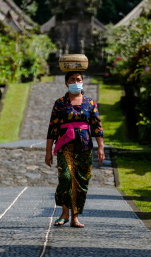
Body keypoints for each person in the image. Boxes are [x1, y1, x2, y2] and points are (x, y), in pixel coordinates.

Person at [45, 71, 105, 228]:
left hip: (84, 147)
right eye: (72, 79)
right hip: (65, 146)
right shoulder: (60, 103)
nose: (75, 82)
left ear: (83, 82)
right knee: (65, 177)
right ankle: (64, 213)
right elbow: (52, 128)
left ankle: (75, 217)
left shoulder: (90, 103)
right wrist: (47, 152)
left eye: (78, 79)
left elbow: (97, 126)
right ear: (66, 83)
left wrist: (101, 147)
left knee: (80, 181)